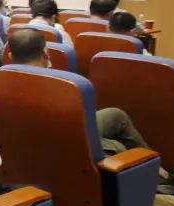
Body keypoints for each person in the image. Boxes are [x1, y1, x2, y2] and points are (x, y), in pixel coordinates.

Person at [8, 29, 152, 158]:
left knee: (115, 115)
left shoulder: (2, 78)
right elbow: (75, 127)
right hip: (64, 144)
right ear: (46, 53)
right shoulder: (63, 85)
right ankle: (155, 168)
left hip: (27, 142)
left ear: (10, 56)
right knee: (117, 142)